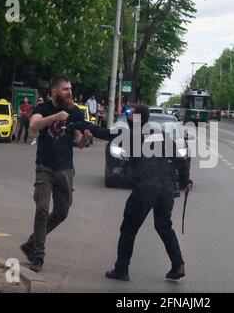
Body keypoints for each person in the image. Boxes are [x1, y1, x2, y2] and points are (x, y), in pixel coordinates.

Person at [74, 104, 193, 281]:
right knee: (164, 226)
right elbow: (180, 159)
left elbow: (101, 132)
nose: (127, 116)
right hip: (166, 188)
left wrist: (77, 123)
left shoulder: (129, 135)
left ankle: (121, 270)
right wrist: (186, 180)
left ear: (134, 118)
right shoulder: (160, 135)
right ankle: (178, 265)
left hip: (145, 188)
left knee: (128, 228)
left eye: (129, 114)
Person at [20, 76, 92, 272]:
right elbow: (34, 126)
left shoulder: (76, 112)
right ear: (54, 92)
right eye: (65, 89)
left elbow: (78, 142)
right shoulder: (43, 109)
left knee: (62, 212)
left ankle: (31, 243)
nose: (70, 92)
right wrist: (55, 117)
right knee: (42, 210)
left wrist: (85, 139)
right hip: (45, 167)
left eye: (70, 89)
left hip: (66, 169)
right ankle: (38, 255)